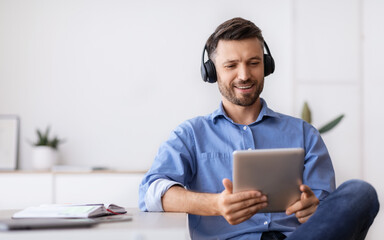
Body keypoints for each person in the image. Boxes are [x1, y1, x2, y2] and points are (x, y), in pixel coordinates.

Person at [139, 17, 379, 240]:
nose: (244, 75)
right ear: (211, 72)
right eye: (231, 65)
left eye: (253, 63)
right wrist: (216, 204)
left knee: (361, 192)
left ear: (266, 65)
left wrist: (313, 208)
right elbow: (151, 193)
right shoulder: (191, 134)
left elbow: (326, 208)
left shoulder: (304, 133)